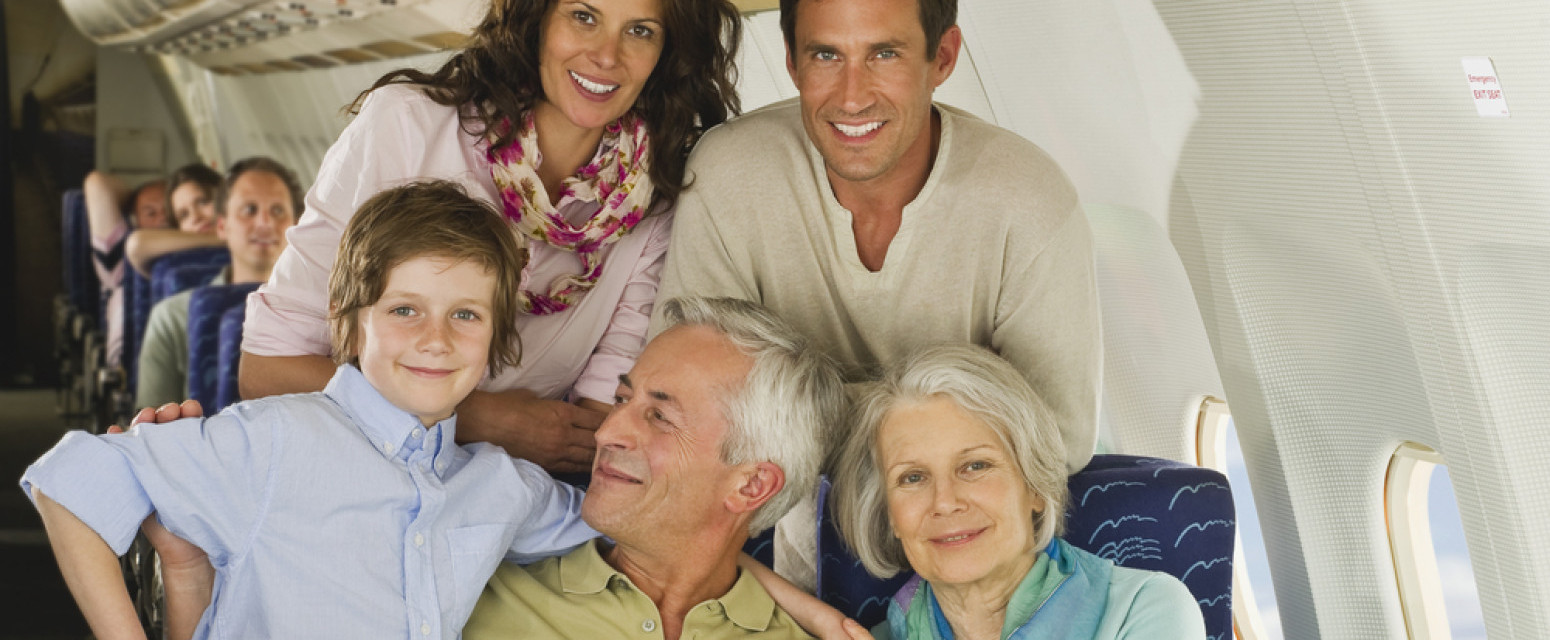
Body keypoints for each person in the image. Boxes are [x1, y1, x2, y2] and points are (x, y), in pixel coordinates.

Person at [23, 181, 602, 638]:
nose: (437, 338)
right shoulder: (278, 439)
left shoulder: (505, 485)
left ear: (497, 336)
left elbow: (618, 531)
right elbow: (69, 479)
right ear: (349, 324)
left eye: (466, 315)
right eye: (404, 310)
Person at [650, 0, 1101, 587]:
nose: (852, 95)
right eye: (825, 55)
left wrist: (793, 411)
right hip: (763, 525)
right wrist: (940, 425)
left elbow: (1057, 434)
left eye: (883, 54)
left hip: (961, 531)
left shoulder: (1031, 201)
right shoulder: (729, 172)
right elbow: (689, 401)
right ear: (790, 61)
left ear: (942, 58)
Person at [239, 0, 743, 475]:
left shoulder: (655, 198)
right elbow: (267, 373)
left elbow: (595, 424)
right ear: (537, 19)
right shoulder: (408, 128)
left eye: (640, 30)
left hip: (514, 488)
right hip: (350, 464)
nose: (607, 55)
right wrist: (482, 420)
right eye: (584, 16)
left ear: (665, 52)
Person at [463, 296, 856, 639]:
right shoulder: (463, 593)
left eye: (660, 416)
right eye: (620, 399)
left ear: (752, 486)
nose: (605, 432)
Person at [830, 345, 1204, 639]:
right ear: (890, 515)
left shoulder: (1145, 609)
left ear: (1035, 487)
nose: (944, 500)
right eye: (912, 478)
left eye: (975, 466)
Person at [135, 157, 300, 410]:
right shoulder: (172, 318)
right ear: (222, 226)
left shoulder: (321, 317)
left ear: (295, 227)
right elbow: (147, 438)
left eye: (278, 211)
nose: (265, 223)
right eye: (249, 210)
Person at [82, 171, 169, 366]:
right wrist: (137, 195)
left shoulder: (205, 259)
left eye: (169, 210)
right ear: (135, 221)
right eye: (150, 213)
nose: (163, 219)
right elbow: (97, 183)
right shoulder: (119, 261)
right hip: (131, 363)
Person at [125, 163, 225, 277]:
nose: (195, 218)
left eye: (203, 202)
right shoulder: (180, 260)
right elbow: (136, 244)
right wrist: (222, 239)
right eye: (184, 215)